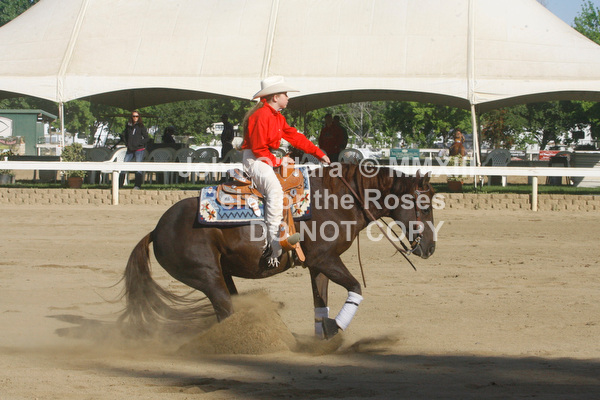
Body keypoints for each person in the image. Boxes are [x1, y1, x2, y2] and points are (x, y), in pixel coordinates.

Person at [242, 76, 330, 267]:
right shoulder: (261, 116)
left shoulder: (277, 117)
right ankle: (273, 242)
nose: (288, 97)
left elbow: (295, 137)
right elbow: (258, 149)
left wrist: (318, 153)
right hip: (257, 159)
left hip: (265, 157)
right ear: (275, 97)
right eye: (285, 94)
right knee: (275, 191)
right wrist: (279, 161)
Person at [119, 110, 149, 190]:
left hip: (139, 149)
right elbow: (124, 135)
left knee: (138, 167)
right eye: (134, 116)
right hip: (130, 149)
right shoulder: (128, 126)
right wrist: (127, 143)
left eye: (137, 116)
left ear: (139, 117)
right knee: (124, 166)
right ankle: (119, 185)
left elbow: (147, 138)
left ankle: (137, 185)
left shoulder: (141, 126)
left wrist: (139, 143)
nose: (135, 118)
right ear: (131, 117)